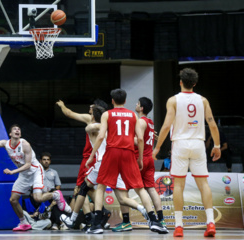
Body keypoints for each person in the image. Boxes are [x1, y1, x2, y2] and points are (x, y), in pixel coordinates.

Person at [86, 88, 166, 234]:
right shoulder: (133, 116)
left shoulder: (106, 114)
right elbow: (140, 139)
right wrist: (140, 158)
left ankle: (96, 224)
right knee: (140, 188)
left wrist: (92, 156)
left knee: (101, 186)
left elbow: (101, 136)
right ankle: (154, 221)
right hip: (128, 153)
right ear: (125, 101)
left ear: (112, 100)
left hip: (112, 152)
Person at [152, 68, 221, 238]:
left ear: (180, 82)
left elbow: (167, 126)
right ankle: (211, 223)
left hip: (180, 144)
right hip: (198, 143)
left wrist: (158, 147)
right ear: (195, 83)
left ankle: (179, 226)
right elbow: (212, 124)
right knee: (204, 184)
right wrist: (217, 145)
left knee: (178, 186)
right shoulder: (203, 100)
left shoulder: (173, 100)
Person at [60, 105, 148, 232]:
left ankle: (76, 220)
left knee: (84, 188)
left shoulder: (95, 127)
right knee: (122, 198)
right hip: (114, 164)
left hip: (102, 162)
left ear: (94, 116)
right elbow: (135, 140)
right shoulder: (112, 129)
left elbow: (89, 127)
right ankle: (142, 209)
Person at [0, 124, 71, 231]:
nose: (17, 130)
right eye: (15, 129)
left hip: (35, 171)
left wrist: (13, 172)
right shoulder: (6, 143)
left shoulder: (25, 144)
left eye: (19, 129)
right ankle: (24, 222)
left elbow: (28, 165)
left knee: (37, 198)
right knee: (13, 200)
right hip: (24, 174)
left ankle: (56, 195)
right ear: (10, 134)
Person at [56, 99, 110, 229]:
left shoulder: (91, 121)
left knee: (80, 189)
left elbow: (69, 114)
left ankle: (87, 217)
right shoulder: (108, 122)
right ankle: (96, 215)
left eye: (92, 106)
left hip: (91, 159)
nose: (89, 107)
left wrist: (62, 105)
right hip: (102, 160)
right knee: (89, 188)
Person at [132, 97, 168, 232]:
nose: (135, 104)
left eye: (137, 103)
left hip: (140, 159)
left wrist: (123, 137)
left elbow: (139, 140)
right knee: (151, 189)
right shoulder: (150, 122)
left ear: (141, 108)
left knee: (128, 188)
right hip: (149, 159)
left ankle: (126, 221)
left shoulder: (141, 122)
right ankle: (161, 220)